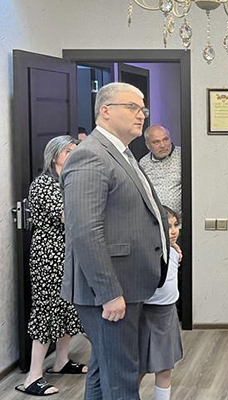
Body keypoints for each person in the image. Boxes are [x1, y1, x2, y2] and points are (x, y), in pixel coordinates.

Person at [61, 82, 169, 400]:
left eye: (143, 108)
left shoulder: (121, 152)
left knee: (105, 370)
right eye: (132, 107)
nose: (141, 115)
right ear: (105, 111)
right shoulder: (90, 155)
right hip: (110, 289)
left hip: (128, 283)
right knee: (121, 378)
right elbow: (85, 230)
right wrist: (108, 292)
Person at [15, 136, 86, 397]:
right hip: (48, 255)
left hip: (67, 253)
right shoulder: (43, 184)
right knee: (46, 311)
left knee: (66, 307)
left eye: (75, 150)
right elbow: (69, 216)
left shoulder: (68, 180)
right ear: (54, 155)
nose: (73, 154)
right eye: (68, 151)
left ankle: (61, 361)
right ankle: (33, 376)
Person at [139, 206, 183, 400]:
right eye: (167, 227)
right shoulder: (147, 253)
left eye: (175, 225)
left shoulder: (174, 251)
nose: (173, 231)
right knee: (139, 367)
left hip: (168, 314)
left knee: (165, 369)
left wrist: (173, 248)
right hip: (146, 314)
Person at [139, 125, 182, 215]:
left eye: (165, 139)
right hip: (155, 218)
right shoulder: (143, 163)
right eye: (156, 142)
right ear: (148, 145)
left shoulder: (182, 156)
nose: (162, 145)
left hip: (181, 219)